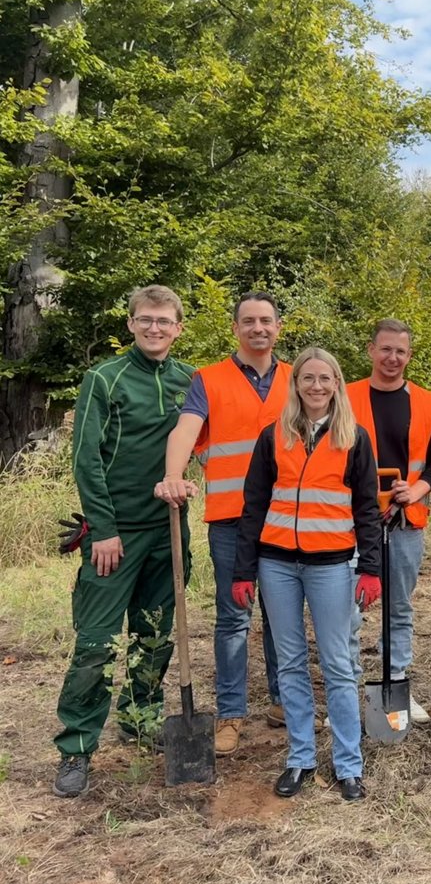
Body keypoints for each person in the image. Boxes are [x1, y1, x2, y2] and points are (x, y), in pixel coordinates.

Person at [52, 285, 196, 798]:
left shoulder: (187, 382)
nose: (155, 328)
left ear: (179, 327)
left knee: (154, 634)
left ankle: (140, 720)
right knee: (95, 643)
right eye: (146, 320)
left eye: (165, 321)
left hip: (168, 532)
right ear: (131, 323)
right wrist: (104, 529)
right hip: (117, 536)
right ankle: (75, 747)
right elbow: (86, 459)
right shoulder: (104, 379)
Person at [232, 348, 382, 802]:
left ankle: (348, 765)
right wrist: (244, 570)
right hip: (276, 564)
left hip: (332, 567)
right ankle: (300, 758)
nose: (316, 387)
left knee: (337, 664)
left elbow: (367, 509)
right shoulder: (272, 437)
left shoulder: (354, 438)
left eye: (325, 379)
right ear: (295, 384)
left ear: (336, 384)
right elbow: (253, 506)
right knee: (292, 664)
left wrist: (371, 568)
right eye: (308, 378)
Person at [154, 291, 289, 756]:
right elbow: (185, 430)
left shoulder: (299, 379)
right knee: (234, 616)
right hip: (232, 520)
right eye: (248, 321)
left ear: (278, 327)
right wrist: (174, 475)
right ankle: (231, 715)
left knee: (283, 614)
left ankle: (283, 701)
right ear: (235, 328)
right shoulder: (208, 380)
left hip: (289, 517)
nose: (258, 328)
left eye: (266, 321)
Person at [347, 319, 431, 724]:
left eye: (401, 351)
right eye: (385, 349)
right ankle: (349, 689)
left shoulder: (429, 402)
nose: (393, 358)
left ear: (409, 355)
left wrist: (419, 489)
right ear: (371, 350)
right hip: (353, 521)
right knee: (348, 609)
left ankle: (396, 680)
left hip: (405, 521)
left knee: (399, 605)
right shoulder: (344, 395)